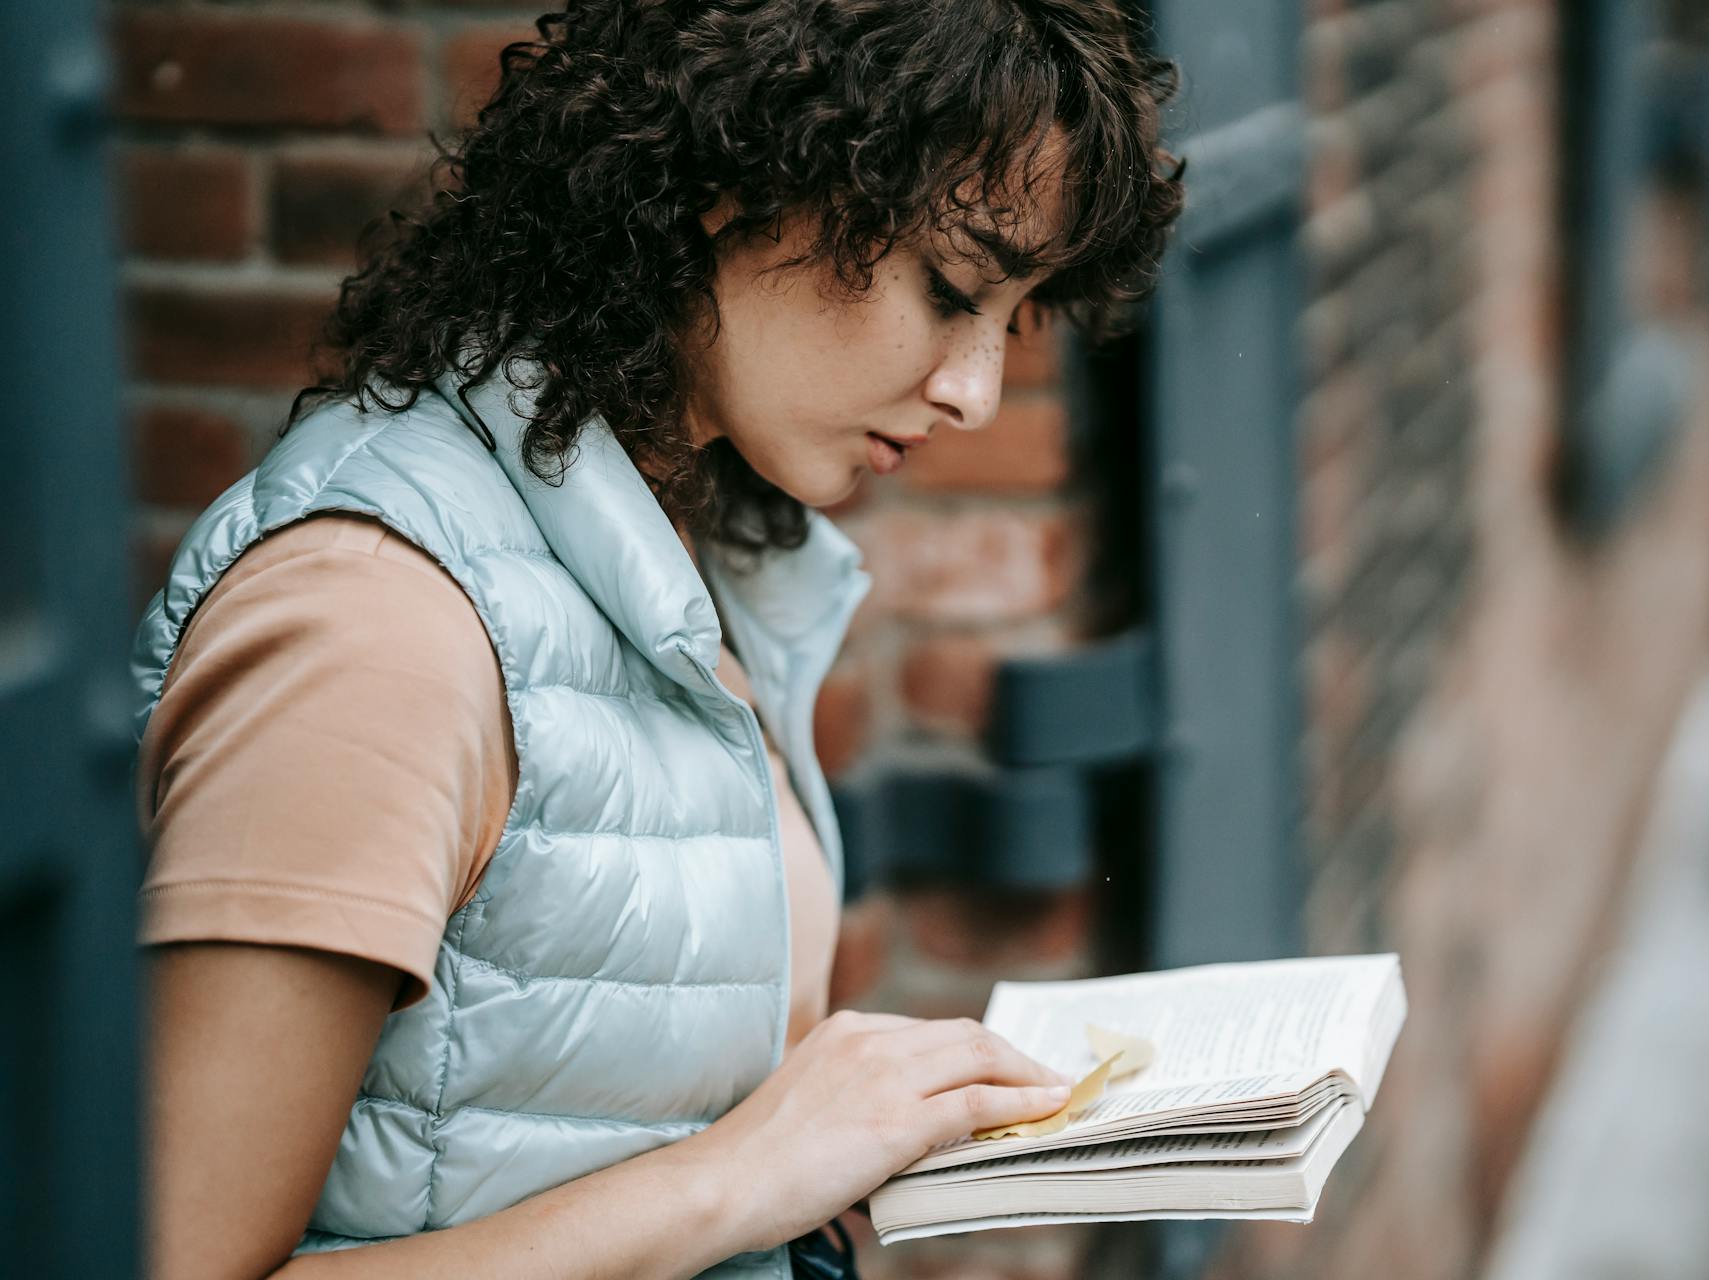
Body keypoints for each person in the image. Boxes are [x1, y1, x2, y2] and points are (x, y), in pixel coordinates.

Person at [131, 1, 1184, 1275]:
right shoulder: (377, 621)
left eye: (1009, 317)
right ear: (737, 187)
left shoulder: (692, 539)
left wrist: (849, 1139)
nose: (973, 389)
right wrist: (749, 1170)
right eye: (950, 287)